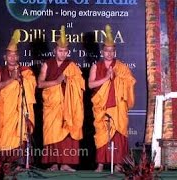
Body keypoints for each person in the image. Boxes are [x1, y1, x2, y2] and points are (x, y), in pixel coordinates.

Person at [88, 24, 136, 172]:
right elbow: (90, 84)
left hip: (117, 105)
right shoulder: (96, 66)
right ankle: (101, 164)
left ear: (114, 52)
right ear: (102, 52)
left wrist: (118, 78)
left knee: (118, 134)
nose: (109, 54)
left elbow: (130, 81)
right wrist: (107, 78)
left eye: (111, 51)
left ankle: (118, 164)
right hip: (101, 105)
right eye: (106, 51)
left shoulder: (122, 67)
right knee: (102, 133)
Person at [38, 25, 85, 172]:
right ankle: (53, 164)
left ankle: (65, 164)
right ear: (55, 50)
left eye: (65, 51)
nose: (62, 54)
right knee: (52, 132)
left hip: (67, 106)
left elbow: (81, 84)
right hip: (52, 105)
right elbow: (40, 83)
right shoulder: (47, 64)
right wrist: (57, 81)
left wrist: (71, 81)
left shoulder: (72, 66)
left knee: (67, 132)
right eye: (60, 50)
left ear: (68, 52)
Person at [0, 29, 36, 165]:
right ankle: (4, 163)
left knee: (21, 133)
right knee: (3, 135)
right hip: (5, 112)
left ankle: (20, 163)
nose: (12, 58)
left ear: (18, 56)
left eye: (15, 55)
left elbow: (32, 86)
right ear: (5, 57)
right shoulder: (0, 70)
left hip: (20, 112)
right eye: (9, 55)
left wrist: (21, 79)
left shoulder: (26, 71)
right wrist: (11, 79)